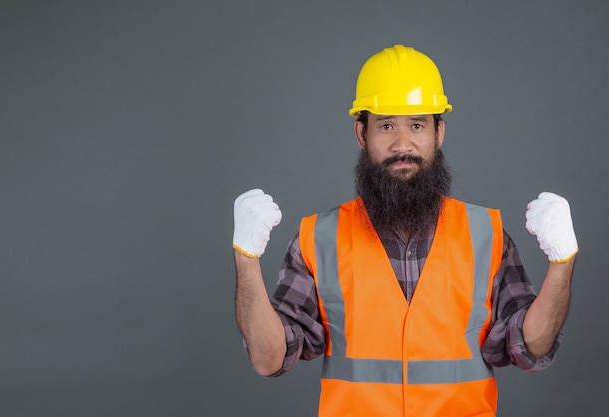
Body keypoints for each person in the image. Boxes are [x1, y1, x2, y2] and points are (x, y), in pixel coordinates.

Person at [231, 45, 578, 417]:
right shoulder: (319, 239)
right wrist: (245, 257)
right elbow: (270, 359)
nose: (402, 144)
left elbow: (531, 346)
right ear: (361, 134)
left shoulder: (486, 237)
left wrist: (562, 261)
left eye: (416, 125)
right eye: (385, 125)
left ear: (438, 132)